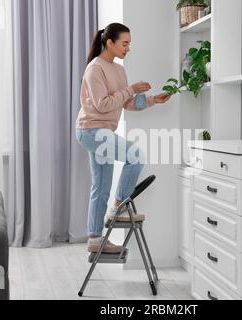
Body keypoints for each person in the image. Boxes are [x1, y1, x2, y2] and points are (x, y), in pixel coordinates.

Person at [75, 23, 172, 253]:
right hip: (90, 130)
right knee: (135, 155)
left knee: (101, 186)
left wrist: (152, 100)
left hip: (103, 132)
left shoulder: (118, 70)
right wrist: (132, 88)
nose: (128, 48)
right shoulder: (94, 69)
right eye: (124, 43)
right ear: (110, 43)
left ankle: (95, 239)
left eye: (129, 44)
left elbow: (125, 103)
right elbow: (103, 104)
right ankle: (119, 208)